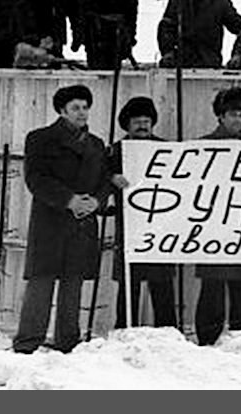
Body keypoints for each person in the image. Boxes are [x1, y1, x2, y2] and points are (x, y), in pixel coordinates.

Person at [11, 84, 109, 354]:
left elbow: (105, 180)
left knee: (73, 283)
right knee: (41, 283)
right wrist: (70, 200)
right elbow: (36, 179)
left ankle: (68, 342)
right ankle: (27, 342)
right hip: (51, 221)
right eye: (76, 107)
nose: (82, 112)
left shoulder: (96, 145)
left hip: (83, 223)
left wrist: (96, 202)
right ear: (62, 111)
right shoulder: (40, 139)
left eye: (85, 107)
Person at [192, 87, 241, 344]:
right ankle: (207, 338)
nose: (238, 120)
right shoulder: (205, 145)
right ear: (221, 117)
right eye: (233, 114)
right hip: (213, 228)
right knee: (212, 287)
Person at [107, 95, 175, 329]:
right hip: (128, 228)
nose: (143, 125)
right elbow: (97, 180)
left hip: (161, 229)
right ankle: (125, 330)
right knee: (128, 285)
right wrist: (111, 178)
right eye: (137, 121)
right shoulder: (115, 151)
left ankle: (168, 333)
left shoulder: (167, 150)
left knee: (163, 285)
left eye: (147, 120)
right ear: (127, 124)